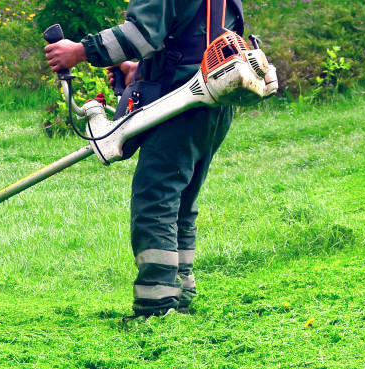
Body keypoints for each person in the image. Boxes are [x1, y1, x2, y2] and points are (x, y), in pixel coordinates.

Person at [45, 0, 244, 317]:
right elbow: (200, 36)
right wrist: (144, 69)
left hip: (182, 103)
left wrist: (78, 52)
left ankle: (156, 305)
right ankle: (180, 291)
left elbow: (140, 35)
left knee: (156, 201)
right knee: (180, 201)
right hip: (215, 99)